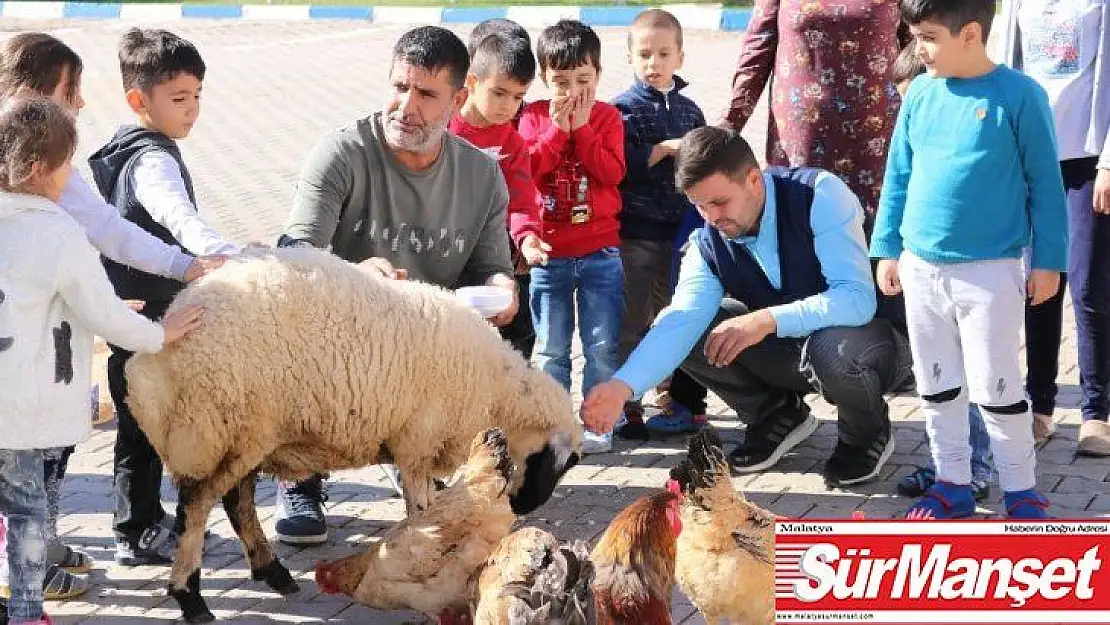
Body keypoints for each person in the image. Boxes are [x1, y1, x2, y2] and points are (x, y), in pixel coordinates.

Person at [275, 25, 517, 546]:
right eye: (398, 86)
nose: (406, 106)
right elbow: (293, 254)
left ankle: (430, 460)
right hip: (340, 326)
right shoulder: (341, 153)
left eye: (426, 94)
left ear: (460, 95)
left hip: (424, 342)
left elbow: (491, 267)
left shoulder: (481, 175)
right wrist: (355, 275)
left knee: (519, 338)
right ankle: (299, 476)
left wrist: (503, 287)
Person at [0, 31, 222, 595]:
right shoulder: (35, 185)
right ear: (29, 94)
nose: (79, 104)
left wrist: (180, 266)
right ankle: (24, 576)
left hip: (47, 358)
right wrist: (175, 280)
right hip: (22, 366)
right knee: (23, 469)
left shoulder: (45, 170)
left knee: (48, 458)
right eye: (68, 92)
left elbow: (106, 230)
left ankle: (40, 546)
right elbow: (103, 238)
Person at [583, 126, 912, 487]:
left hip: (873, 347)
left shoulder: (820, 194)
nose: (711, 217)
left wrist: (767, 320)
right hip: (794, 354)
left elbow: (857, 300)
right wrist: (622, 387)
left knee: (831, 348)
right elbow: (681, 322)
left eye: (719, 202)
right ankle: (777, 417)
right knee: (686, 327)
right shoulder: (707, 240)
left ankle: (865, 434)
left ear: (754, 180)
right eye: (699, 206)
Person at [872, 0, 1067, 519]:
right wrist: (888, 247)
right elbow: (898, 177)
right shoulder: (920, 96)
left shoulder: (1021, 96)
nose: (920, 49)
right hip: (922, 269)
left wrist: (1048, 261)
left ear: (972, 33)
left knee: (997, 386)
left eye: (930, 37)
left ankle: (1022, 491)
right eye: (915, 36)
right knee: (937, 385)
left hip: (990, 272)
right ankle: (953, 482)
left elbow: (1046, 185)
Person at [87, 28, 242, 565]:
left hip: (139, 316)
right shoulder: (152, 160)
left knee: (147, 423)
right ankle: (133, 531)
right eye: (179, 98)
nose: (192, 109)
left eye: (197, 95)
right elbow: (175, 214)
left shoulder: (122, 149)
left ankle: (146, 520)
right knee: (140, 428)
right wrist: (227, 255)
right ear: (138, 100)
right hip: (144, 319)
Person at [999, 0, 1110, 456]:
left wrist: (1109, 161)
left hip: (1089, 160)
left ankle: (1096, 413)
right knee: (1039, 283)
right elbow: (1006, 71)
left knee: (1086, 286)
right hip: (1034, 160)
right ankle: (1040, 407)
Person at [887, 43, 992, 503]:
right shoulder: (912, 137)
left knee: (975, 371)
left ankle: (979, 468)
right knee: (938, 374)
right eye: (905, 102)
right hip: (925, 267)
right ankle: (946, 465)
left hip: (976, 270)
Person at [518, 20, 627, 454]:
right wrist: (556, 132)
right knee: (551, 348)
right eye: (561, 82)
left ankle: (599, 422)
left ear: (598, 76)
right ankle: (554, 425)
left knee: (601, 344)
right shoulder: (531, 117)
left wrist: (581, 131)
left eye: (583, 80)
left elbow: (613, 174)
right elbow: (526, 172)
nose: (573, 91)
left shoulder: (607, 117)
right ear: (544, 79)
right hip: (549, 255)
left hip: (601, 252)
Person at [609, 9, 710, 439]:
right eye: (645, 54)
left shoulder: (690, 111)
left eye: (663, 54)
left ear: (680, 58)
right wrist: (660, 149)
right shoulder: (621, 110)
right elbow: (618, 168)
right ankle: (626, 399)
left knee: (673, 315)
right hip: (636, 232)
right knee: (631, 318)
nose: (654, 63)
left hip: (680, 235)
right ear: (630, 57)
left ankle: (671, 394)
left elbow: (707, 166)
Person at [721, 0, 907, 228]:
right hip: (802, 139)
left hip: (874, 139)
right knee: (800, 230)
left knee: (873, 236)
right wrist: (726, 128)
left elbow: (918, 49)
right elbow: (757, 52)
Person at [450, 31, 550, 358]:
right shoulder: (443, 129)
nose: (508, 106)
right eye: (499, 93)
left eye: (518, 97)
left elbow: (521, 198)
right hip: (444, 248)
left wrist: (528, 238)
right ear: (471, 82)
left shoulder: (512, 143)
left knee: (517, 329)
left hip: (495, 250)